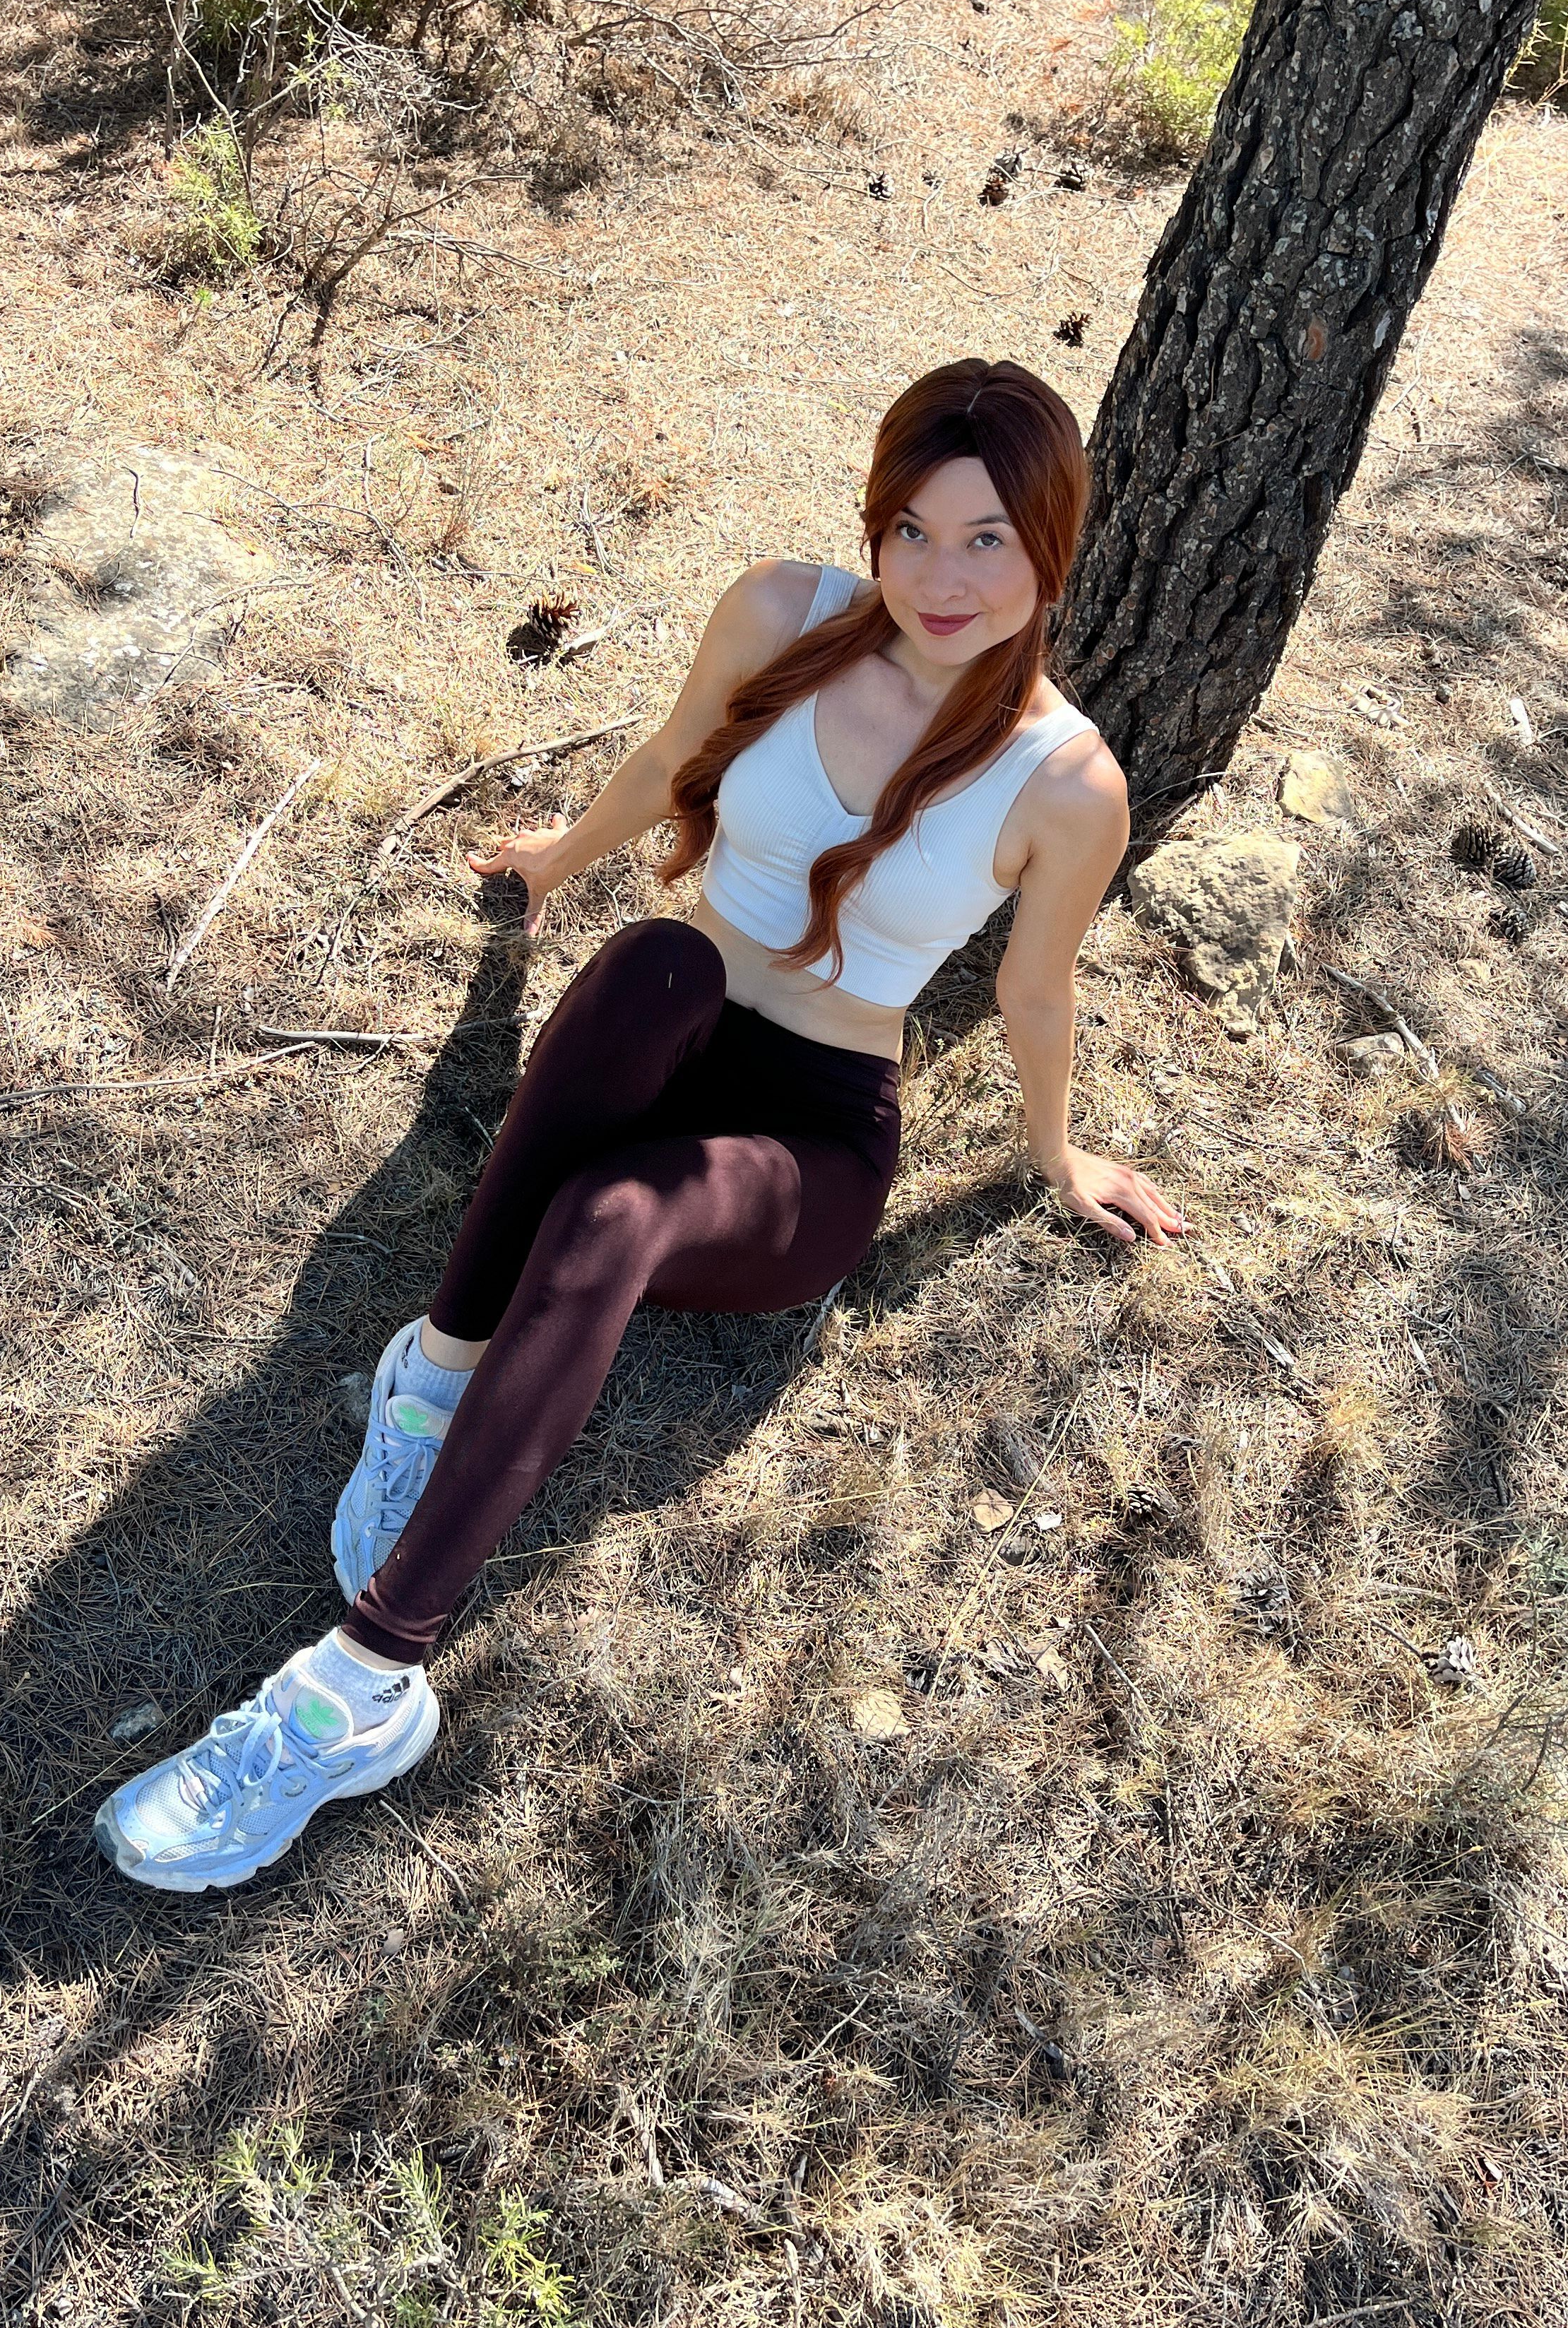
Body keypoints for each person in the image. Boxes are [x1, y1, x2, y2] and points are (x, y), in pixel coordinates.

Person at [95, 358, 1184, 1891]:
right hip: (668, 1037)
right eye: (914, 532)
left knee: (614, 1215)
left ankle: (362, 1686)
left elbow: (1036, 990)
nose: (943, 581)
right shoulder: (783, 616)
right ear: (874, 524)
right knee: (658, 962)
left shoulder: (1067, 785)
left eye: (989, 540)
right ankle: (438, 1378)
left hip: (805, 1152)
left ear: (1053, 546)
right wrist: (555, 857)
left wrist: (1057, 1156)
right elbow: (675, 759)